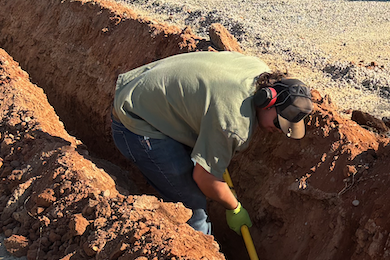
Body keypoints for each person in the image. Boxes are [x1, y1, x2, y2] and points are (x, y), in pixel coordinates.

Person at [109, 51, 314, 235]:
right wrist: (234, 207)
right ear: (267, 102)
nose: (278, 130)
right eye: (279, 123)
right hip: (135, 121)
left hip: (140, 89)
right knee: (193, 207)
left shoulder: (257, 69)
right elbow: (204, 177)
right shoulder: (234, 123)